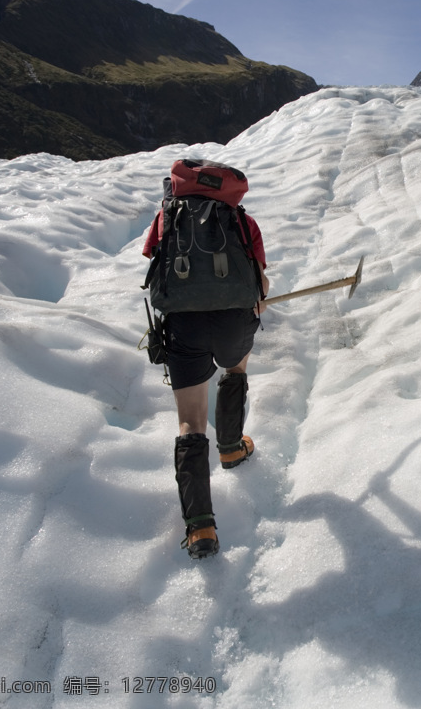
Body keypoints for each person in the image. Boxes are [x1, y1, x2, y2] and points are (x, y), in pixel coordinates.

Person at [142, 172, 270, 560]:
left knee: (190, 422)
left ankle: (201, 527)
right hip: (234, 321)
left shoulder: (167, 219)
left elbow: (154, 267)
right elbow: (259, 285)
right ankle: (231, 447)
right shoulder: (241, 221)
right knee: (235, 369)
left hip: (184, 327)